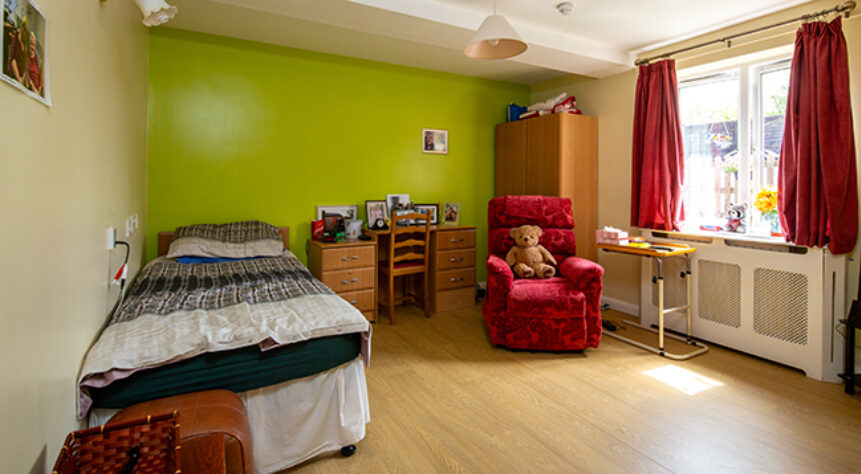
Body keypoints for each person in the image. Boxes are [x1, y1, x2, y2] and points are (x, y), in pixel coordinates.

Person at [7, 19, 28, 88]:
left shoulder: (26, 44)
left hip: (21, 79)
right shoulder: (16, 36)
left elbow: (26, 64)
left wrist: (22, 79)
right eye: (24, 30)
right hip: (12, 74)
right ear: (22, 29)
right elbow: (12, 58)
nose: (25, 34)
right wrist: (18, 78)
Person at [27, 31, 42, 96]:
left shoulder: (36, 57)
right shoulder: (26, 56)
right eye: (31, 44)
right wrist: (34, 89)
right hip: (31, 90)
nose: (32, 47)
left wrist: (39, 89)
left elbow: (39, 75)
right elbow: (27, 75)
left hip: (37, 91)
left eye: (34, 45)